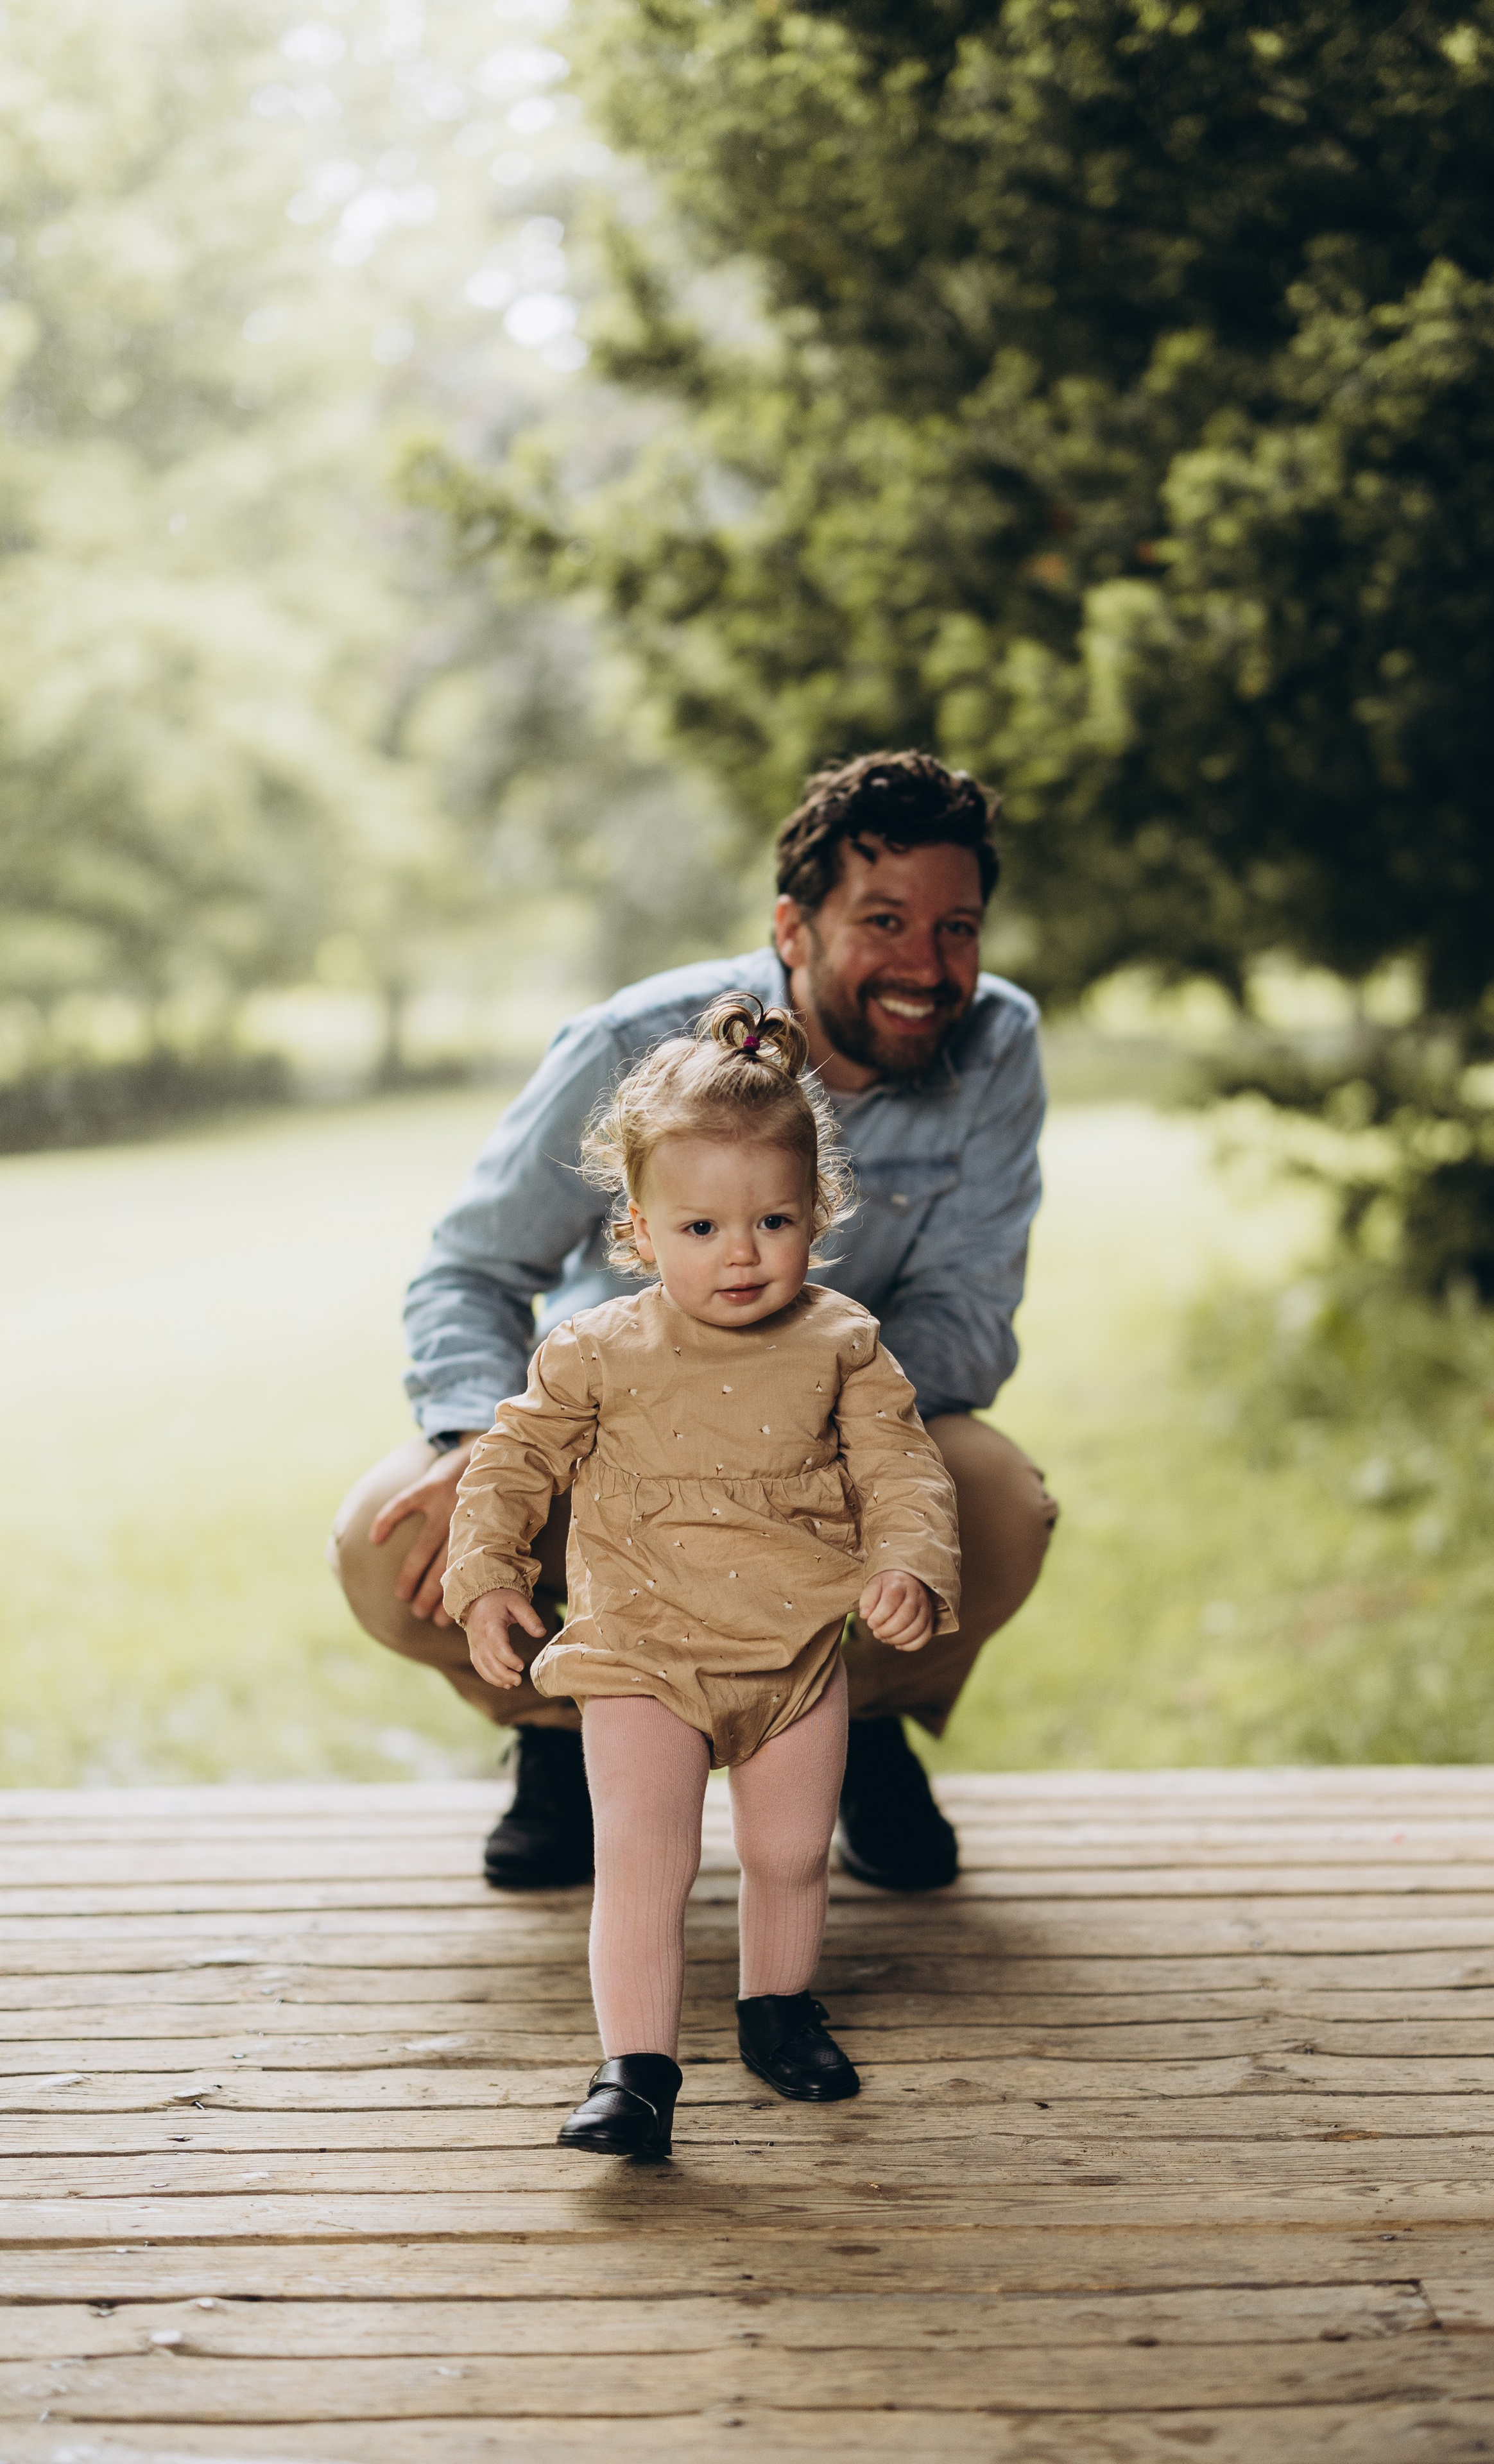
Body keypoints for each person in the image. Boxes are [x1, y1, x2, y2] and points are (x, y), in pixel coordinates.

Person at [329, 748, 1056, 1892]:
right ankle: (567, 1733)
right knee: (390, 1540)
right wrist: (476, 1438)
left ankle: (858, 1725)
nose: (929, 964)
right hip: (612, 1439)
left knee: (1001, 1504)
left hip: (848, 1428)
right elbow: (469, 1267)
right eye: (885, 921)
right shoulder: (633, 1042)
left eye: (957, 927)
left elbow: (969, 1318)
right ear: (794, 927)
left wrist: (798, 1439)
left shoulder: (1000, 1045)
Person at [445, 993, 961, 2157]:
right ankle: (635, 2070)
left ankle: (779, 2011)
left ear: (817, 1214)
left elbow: (905, 1471)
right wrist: (486, 1575)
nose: (741, 1254)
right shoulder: (595, 1351)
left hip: (790, 1653)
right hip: (643, 1651)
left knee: (787, 1852)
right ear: (638, 1230)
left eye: (774, 1221)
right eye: (701, 1230)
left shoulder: (843, 1343)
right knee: (645, 1855)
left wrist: (909, 1568)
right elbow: (513, 1461)